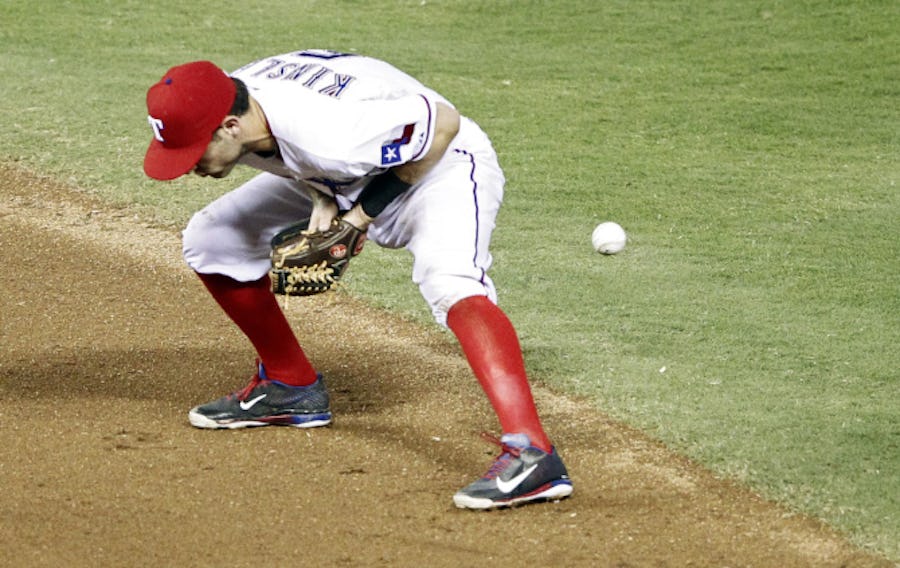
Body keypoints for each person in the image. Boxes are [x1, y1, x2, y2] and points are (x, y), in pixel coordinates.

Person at [142, 49, 572, 509]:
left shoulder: (332, 136)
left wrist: (359, 218)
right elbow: (291, 155)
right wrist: (322, 196)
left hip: (439, 164)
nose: (190, 166)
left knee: (449, 281)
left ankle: (533, 454)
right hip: (346, 170)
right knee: (213, 238)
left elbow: (442, 124)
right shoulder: (235, 101)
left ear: (230, 126)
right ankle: (290, 386)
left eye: (195, 152)